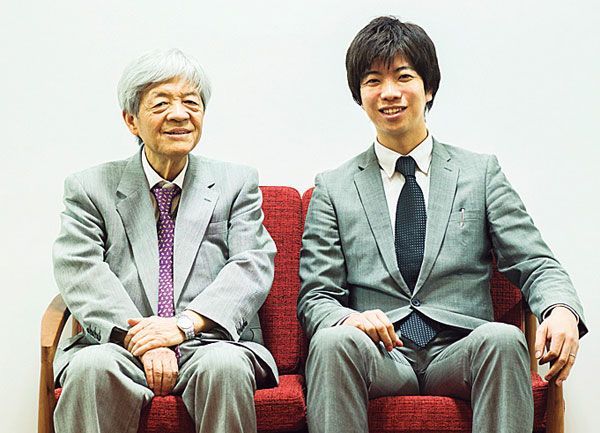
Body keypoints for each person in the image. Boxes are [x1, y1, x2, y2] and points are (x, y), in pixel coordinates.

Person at [297, 16, 587, 433]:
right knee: (330, 341)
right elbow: (316, 297)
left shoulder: (480, 174)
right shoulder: (334, 187)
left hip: (462, 350)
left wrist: (560, 309)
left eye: (403, 76)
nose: (389, 92)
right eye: (373, 81)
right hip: (381, 354)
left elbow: (535, 262)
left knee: (505, 339)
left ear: (428, 87)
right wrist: (347, 320)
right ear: (359, 96)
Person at [52, 48, 278, 433]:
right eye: (161, 103)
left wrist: (183, 326)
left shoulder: (236, 182)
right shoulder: (89, 187)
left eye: (191, 102)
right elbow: (80, 269)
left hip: (208, 341)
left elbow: (252, 264)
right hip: (119, 346)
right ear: (131, 120)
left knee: (225, 366)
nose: (179, 114)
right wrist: (146, 339)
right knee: (91, 367)